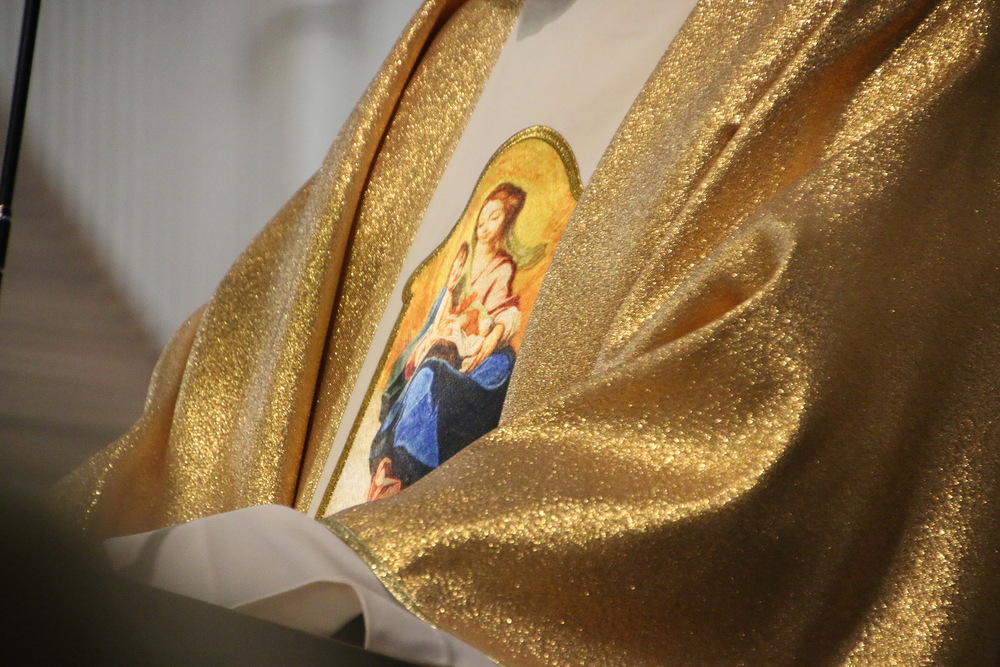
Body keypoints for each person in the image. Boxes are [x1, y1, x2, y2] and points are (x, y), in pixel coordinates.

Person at [54, 0, 1000, 664]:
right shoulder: (462, 34)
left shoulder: (898, 29)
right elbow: (211, 410)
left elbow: (763, 435)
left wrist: (302, 576)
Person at [369, 184, 525, 500]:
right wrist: (449, 297)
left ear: (505, 223)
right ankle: (393, 463)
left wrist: (488, 334)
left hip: (474, 345)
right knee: (426, 368)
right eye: (483, 217)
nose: (484, 225)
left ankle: (410, 469)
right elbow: (443, 312)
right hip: (450, 340)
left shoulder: (502, 267)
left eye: (494, 218)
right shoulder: (464, 260)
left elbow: (501, 313)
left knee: (433, 374)